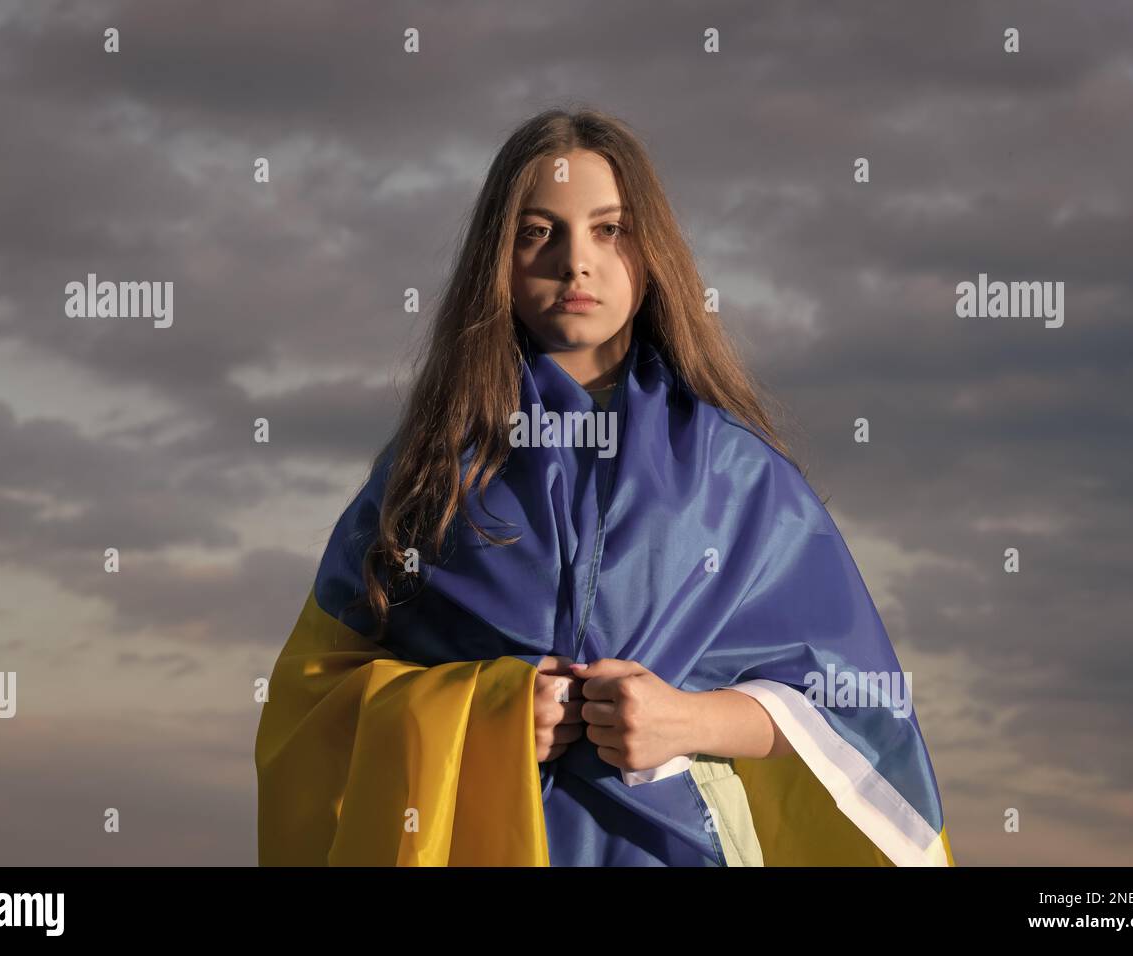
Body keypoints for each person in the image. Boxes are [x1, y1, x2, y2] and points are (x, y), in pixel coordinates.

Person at [254, 107, 955, 867]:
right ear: (498, 261)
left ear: (650, 254)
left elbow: (853, 707)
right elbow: (313, 698)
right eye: (537, 232)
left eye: (609, 229)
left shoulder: (738, 476)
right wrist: (488, 710)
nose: (574, 262)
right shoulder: (425, 474)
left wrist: (685, 720)